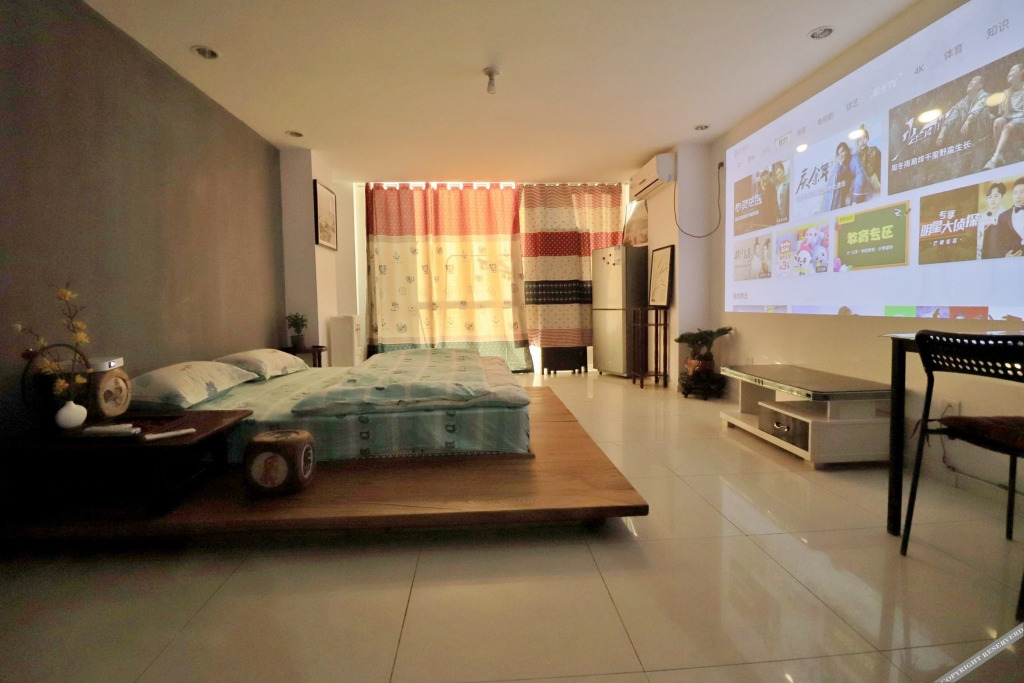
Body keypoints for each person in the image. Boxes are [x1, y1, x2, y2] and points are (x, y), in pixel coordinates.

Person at [984, 64, 1024, 170]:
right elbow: (1003, 114)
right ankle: (1000, 155)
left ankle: (994, 157)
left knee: (1008, 127)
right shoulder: (1005, 93)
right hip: (1011, 119)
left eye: (1012, 70)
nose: (1009, 73)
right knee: (997, 122)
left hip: (1021, 119)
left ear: (1022, 71)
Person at [936, 75, 991, 148]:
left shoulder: (984, 95)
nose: (970, 83)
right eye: (970, 81)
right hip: (967, 136)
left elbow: (977, 108)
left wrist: (967, 121)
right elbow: (952, 115)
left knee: (983, 111)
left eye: (974, 80)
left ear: (980, 85)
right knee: (955, 121)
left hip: (982, 133)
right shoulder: (963, 102)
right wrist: (942, 132)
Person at [982, 176, 1024, 258]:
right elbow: (999, 242)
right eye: (1015, 193)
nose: (1017, 196)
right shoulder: (1003, 216)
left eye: (1022, 192)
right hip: (1013, 259)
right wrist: (1006, 254)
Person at [851, 126, 881, 203]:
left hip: (874, 182)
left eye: (864, 138)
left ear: (868, 138)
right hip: (861, 186)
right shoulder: (855, 157)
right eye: (860, 139)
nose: (862, 141)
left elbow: (880, 168)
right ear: (857, 142)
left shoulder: (874, 150)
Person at [977, 182, 1006, 258]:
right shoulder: (981, 218)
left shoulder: (1008, 216)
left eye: (995, 196)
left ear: (1003, 197)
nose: (992, 199)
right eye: (990, 197)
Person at [827, 142, 854, 210]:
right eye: (839, 154)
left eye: (842, 151)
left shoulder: (853, 160)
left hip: (851, 194)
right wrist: (841, 164)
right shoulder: (838, 167)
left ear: (847, 150)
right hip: (842, 198)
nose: (841, 155)